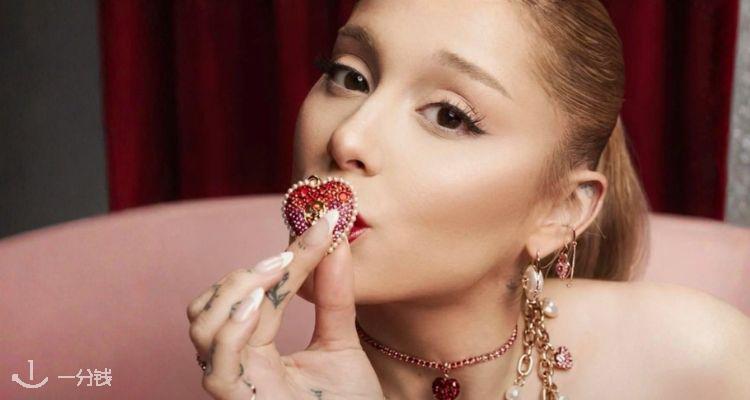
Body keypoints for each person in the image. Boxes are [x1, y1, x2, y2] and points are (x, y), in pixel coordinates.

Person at [186, 1, 750, 399]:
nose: (347, 138)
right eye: (350, 77)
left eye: (450, 116)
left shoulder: (697, 359)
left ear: (561, 211)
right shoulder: (269, 387)